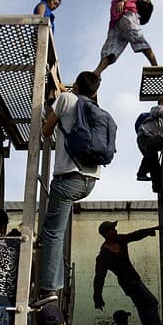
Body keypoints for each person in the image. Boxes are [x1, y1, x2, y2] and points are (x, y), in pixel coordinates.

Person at [37, 71, 103, 300]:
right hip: (90, 181)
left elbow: (46, 131)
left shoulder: (65, 100)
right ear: (95, 91)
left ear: (75, 85)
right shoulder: (94, 106)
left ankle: (49, 288)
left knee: (54, 233)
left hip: (68, 178)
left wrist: (51, 109)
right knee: (53, 229)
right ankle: (52, 274)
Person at [93, 221, 163, 325]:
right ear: (107, 234)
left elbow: (134, 235)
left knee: (144, 307)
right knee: (151, 302)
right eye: (113, 229)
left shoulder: (119, 240)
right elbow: (99, 277)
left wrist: (150, 230)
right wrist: (97, 297)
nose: (116, 231)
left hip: (135, 279)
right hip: (128, 284)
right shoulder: (103, 256)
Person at [93, 0, 157, 76]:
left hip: (128, 15)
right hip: (115, 25)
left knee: (138, 39)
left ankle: (155, 65)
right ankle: (96, 73)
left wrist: (123, 0)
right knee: (108, 50)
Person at [136, 96, 163, 193]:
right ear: (162, 102)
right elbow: (160, 113)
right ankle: (143, 174)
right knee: (159, 143)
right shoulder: (158, 108)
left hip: (146, 139)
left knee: (153, 162)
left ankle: (155, 185)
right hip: (146, 136)